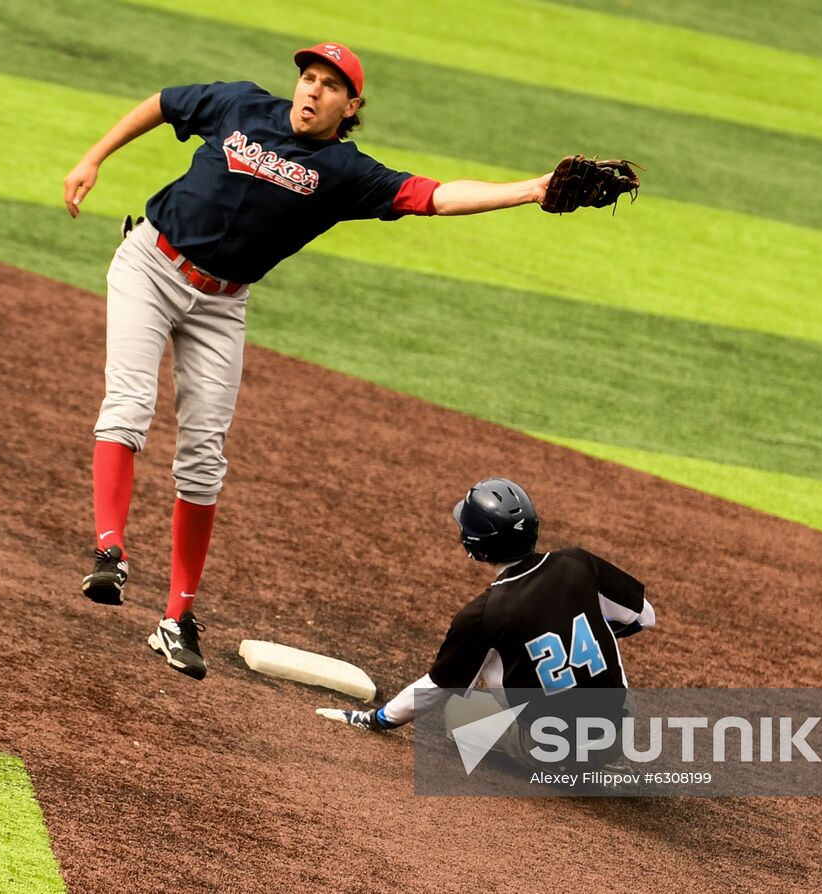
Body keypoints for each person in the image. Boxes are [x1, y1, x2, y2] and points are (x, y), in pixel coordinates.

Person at [63, 43, 563, 681]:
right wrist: (92, 158)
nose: (312, 90)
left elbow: (435, 196)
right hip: (150, 266)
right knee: (130, 406)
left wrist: (531, 190)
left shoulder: (346, 172)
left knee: (205, 459)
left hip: (222, 304)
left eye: (330, 85)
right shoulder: (240, 103)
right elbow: (163, 103)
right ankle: (110, 552)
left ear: (350, 106)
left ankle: (177, 618)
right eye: (308, 77)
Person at [317, 477, 655, 752]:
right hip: (620, 723)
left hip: (556, 748)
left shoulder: (484, 613)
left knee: (458, 711)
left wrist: (375, 719)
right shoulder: (578, 562)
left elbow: (437, 688)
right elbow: (644, 617)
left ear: (475, 544)